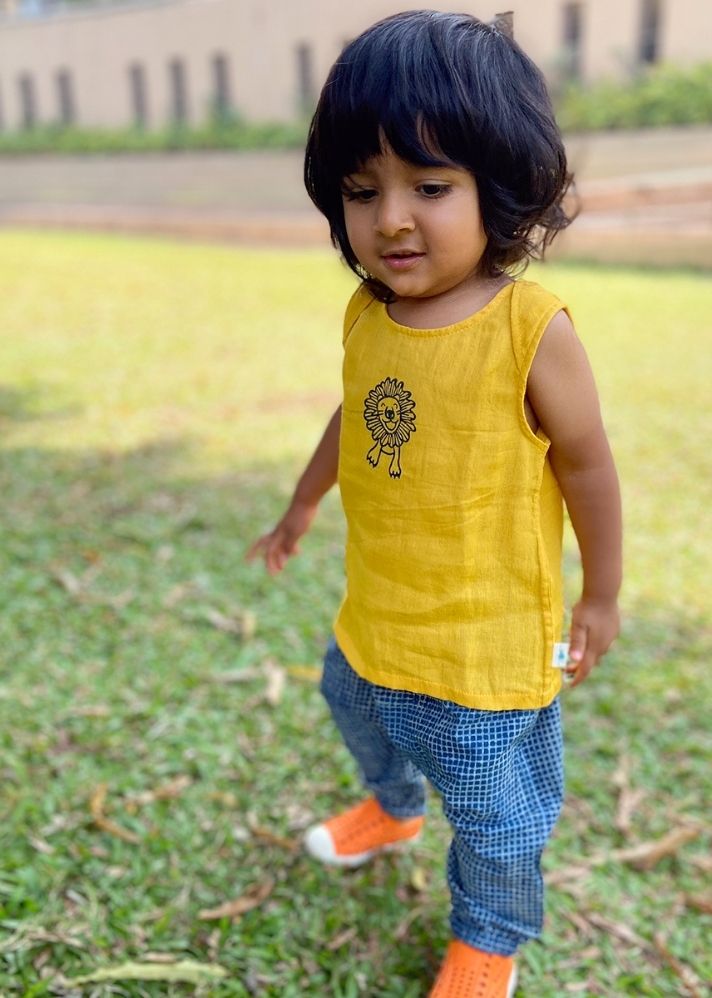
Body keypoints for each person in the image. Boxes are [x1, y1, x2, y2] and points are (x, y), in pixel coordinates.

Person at [248, 10, 622, 996]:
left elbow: (588, 467)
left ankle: (490, 937)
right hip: (379, 618)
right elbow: (353, 414)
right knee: (352, 706)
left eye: (429, 185)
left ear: (498, 184)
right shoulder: (369, 312)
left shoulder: (529, 329)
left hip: (479, 651)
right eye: (361, 191)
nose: (390, 219)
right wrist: (301, 505)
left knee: (494, 815)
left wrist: (599, 594)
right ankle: (393, 807)